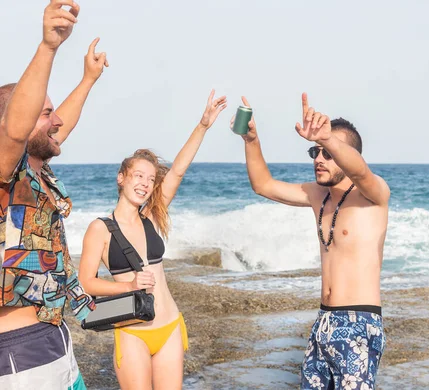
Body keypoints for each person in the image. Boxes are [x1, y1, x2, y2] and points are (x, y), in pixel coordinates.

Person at [235, 93, 388, 389]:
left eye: (328, 153)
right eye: (315, 152)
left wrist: (328, 138)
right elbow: (263, 185)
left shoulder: (374, 194)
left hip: (359, 324)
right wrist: (251, 140)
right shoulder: (317, 196)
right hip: (323, 322)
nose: (319, 159)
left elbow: (359, 170)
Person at [78, 90, 226, 389]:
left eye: (150, 179)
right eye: (138, 176)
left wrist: (203, 125)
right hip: (132, 331)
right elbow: (86, 283)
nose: (145, 184)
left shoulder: (153, 216)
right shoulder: (100, 228)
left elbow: (179, 171)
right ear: (122, 177)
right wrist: (130, 286)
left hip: (170, 326)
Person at [0, 1, 107, 388]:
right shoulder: (5, 173)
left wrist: (88, 80)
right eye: (44, 113)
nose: (57, 119)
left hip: (54, 339)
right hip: (20, 353)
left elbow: (57, 128)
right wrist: (49, 46)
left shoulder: (37, 170)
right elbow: (17, 129)